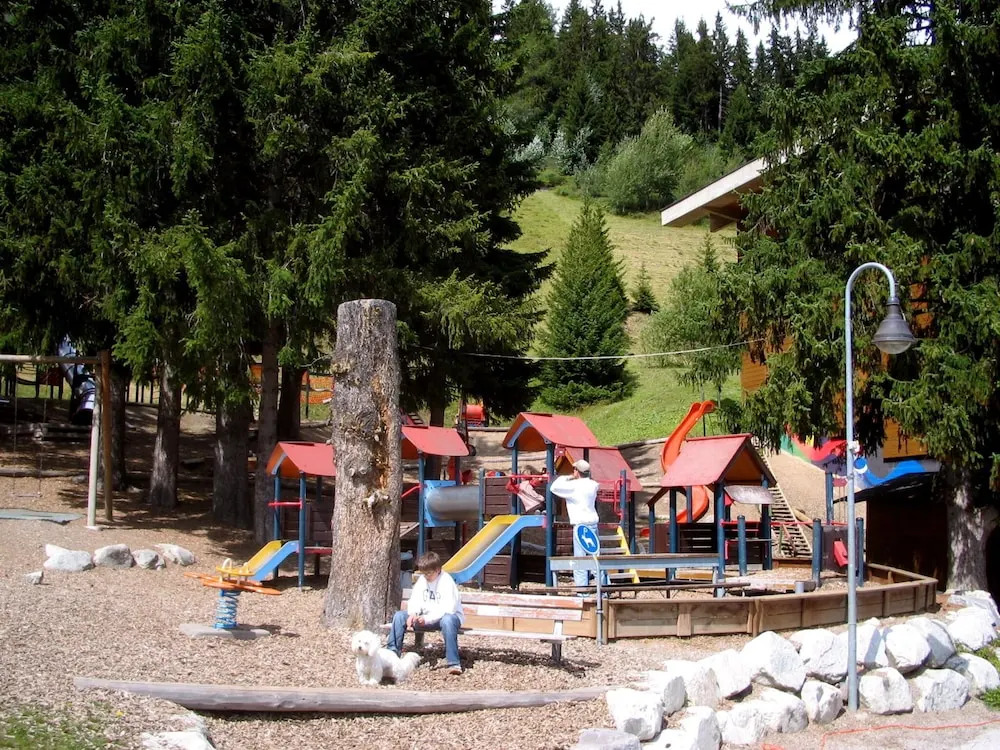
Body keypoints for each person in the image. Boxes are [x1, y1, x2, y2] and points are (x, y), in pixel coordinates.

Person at [387, 551, 465, 675]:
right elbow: (415, 600)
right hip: (424, 618)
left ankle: (454, 663)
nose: (426, 576)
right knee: (399, 616)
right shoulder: (422, 580)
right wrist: (413, 613)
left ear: (438, 570)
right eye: (424, 573)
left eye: (429, 573)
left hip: (446, 618)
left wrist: (426, 619)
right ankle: (391, 655)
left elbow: (448, 609)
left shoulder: (446, 581)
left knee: (448, 620)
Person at [549, 458, 600, 590]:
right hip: (593, 523)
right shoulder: (593, 485)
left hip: (581, 525)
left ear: (577, 471)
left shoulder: (574, 487)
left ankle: (582, 591)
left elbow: (554, 487)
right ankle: (604, 588)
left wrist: (569, 477)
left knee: (580, 560)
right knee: (595, 559)